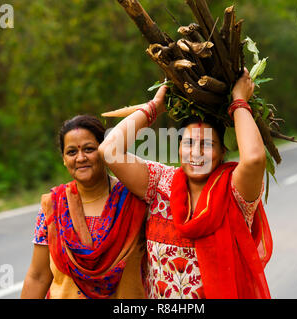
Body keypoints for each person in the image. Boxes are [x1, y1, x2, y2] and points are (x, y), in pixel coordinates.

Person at [98, 68, 273, 299]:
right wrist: (154, 108)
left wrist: (239, 101)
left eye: (208, 145)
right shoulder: (160, 182)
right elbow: (108, 150)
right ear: (178, 147)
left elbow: (254, 158)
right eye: (189, 143)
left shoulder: (234, 189)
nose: (196, 153)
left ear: (222, 151)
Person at [21, 115, 147, 299]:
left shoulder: (134, 200)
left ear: (104, 152)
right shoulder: (53, 207)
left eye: (89, 149)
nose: (80, 158)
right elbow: (38, 276)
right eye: (72, 152)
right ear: (64, 159)